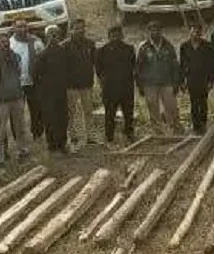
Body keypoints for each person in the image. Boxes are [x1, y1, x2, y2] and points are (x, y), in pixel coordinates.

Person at [0, 34, 31, 168]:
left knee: (20, 128)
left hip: (16, 97)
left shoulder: (15, 57)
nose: (6, 44)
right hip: (1, 101)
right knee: (0, 132)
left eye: (7, 42)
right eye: (2, 42)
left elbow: (19, 73)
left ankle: (23, 152)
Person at [136, 21, 181, 134]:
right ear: (149, 31)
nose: (155, 32)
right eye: (152, 30)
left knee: (171, 107)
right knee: (153, 108)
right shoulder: (143, 47)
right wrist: (140, 85)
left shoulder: (168, 46)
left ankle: (174, 128)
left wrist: (176, 83)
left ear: (161, 31)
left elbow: (175, 66)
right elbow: (138, 68)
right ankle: (158, 132)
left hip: (167, 82)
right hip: (149, 84)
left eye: (157, 30)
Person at [33, 24, 72, 154]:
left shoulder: (64, 52)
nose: (54, 37)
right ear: (46, 37)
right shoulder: (42, 55)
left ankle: (62, 144)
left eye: (56, 34)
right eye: (51, 35)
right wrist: (42, 89)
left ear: (59, 36)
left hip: (61, 91)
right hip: (47, 93)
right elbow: (35, 74)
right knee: (49, 118)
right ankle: (51, 144)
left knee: (62, 118)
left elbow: (69, 70)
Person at [96, 25, 137, 143]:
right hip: (110, 89)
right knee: (110, 114)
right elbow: (99, 71)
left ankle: (129, 133)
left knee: (128, 113)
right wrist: (104, 83)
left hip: (126, 87)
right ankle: (109, 137)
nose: (115, 38)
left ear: (122, 35)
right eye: (113, 35)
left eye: (118, 35)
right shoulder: (102, 51)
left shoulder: (129, 49)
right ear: (109, 37)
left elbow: (133, 66)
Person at [64, 20, 97, 151]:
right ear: (70, 30)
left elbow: (94, 63)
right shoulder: (65, 46)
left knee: (88, 111)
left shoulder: (90, 44)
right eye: (77, 28)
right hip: (71, 85)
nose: (80, 30)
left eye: (82, 28)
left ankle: (90, 136)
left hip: (86, 83)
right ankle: (72, 136)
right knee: (71, 112)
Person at [8, 22, 46, 137]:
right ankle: (18, 136)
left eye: (24, 26)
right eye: (19, 26)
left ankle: (37, 133)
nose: (22, 29)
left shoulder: (36, 41)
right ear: (14, 28)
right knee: (16, 112)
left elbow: (43, 59)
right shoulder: (9, 43)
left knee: (36, 109)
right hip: (16, 83)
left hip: (33, 81)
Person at [178, 22, 214, 134]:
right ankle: (196, 126)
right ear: (190, 32)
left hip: (203, 78)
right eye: (193, 31)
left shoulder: (207, 46)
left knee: (203, 102)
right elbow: (182, 64)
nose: (195, 33)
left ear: (201, 33)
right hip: (191, 78)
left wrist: (211, 80)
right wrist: (182, 81)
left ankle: (203, 124)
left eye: (198, 31)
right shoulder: (184, 46)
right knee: (194, 102)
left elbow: (211, 64)